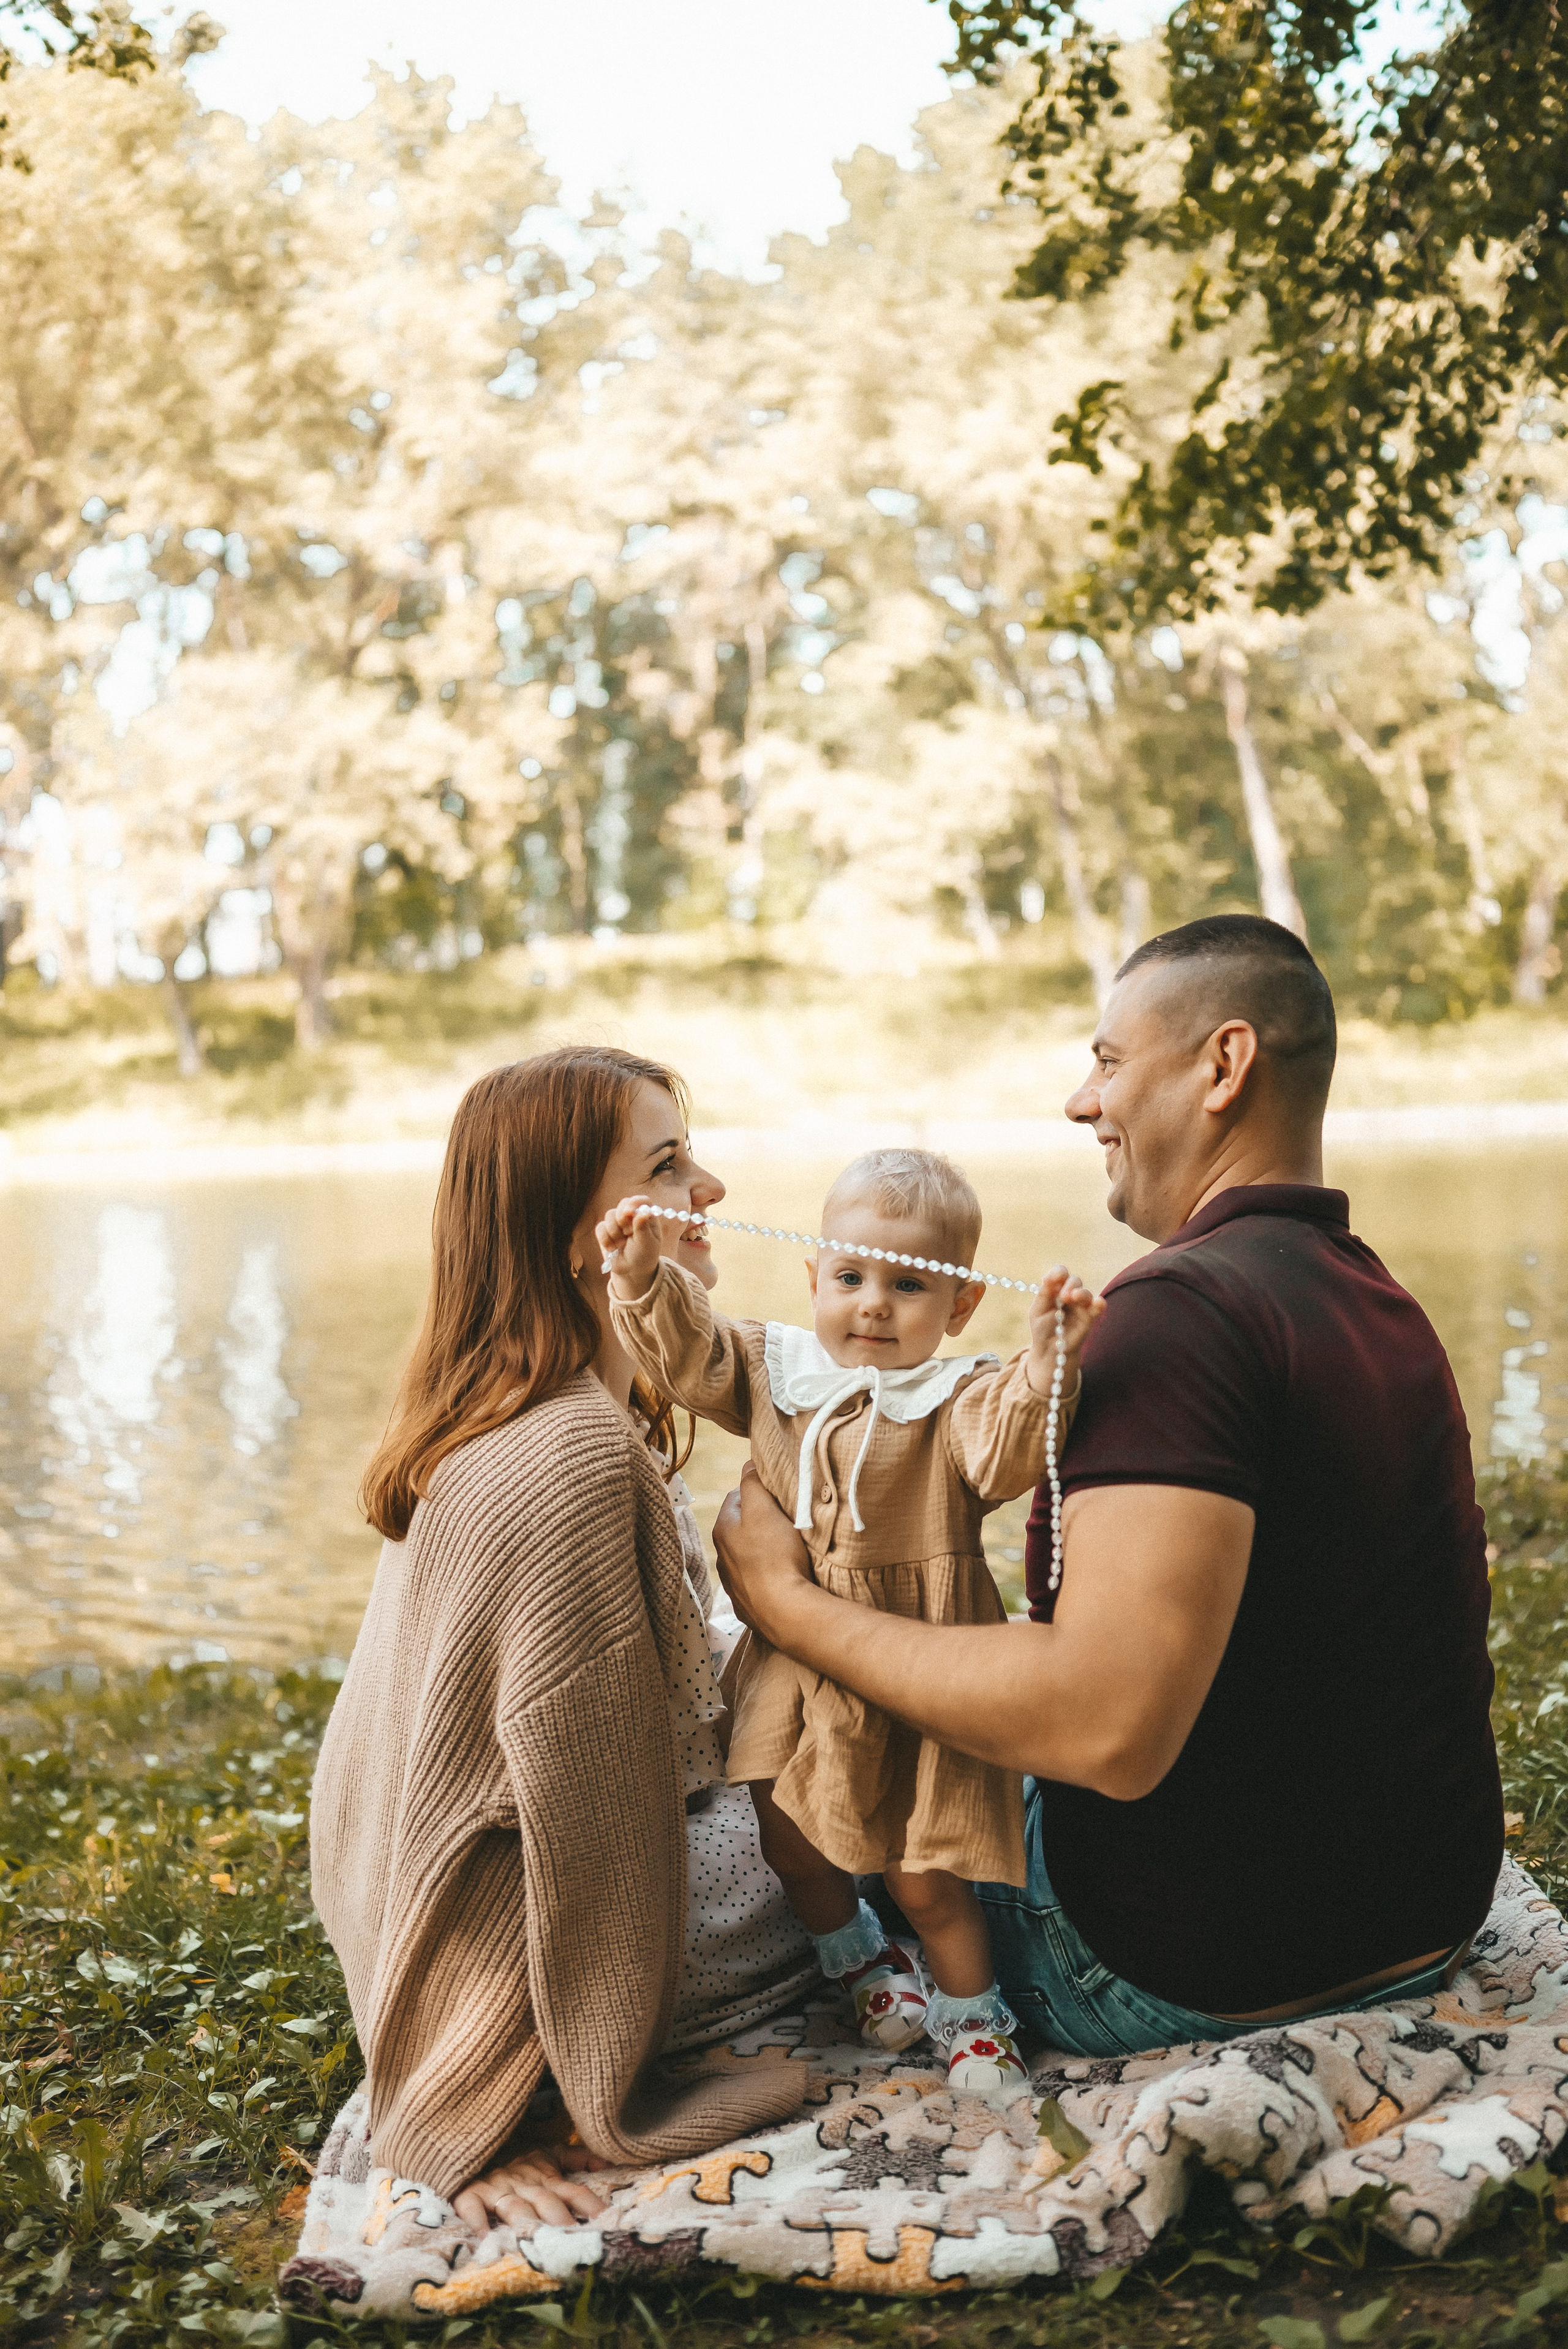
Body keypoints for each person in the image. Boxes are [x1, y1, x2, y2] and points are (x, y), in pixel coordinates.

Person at [712, 915, 1505, 2052]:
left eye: (1109, 1062)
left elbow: (1104, 1726)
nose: (1082, 1104)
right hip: (1420, 1919)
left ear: (1223, 1068)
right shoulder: (1371, 1295)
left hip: (1187, 1966)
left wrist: (788, 1606)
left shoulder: (1173, 1319)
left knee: (770, 1814)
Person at [309, 1047, 818, 2240]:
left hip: (466, 1885)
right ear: (576, 1228)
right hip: (579, 1933)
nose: (712, 1187)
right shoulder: (572, 1454)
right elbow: (555, 1815)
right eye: (668, 1165)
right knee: (907, 1777)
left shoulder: (508, 1407)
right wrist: (458, 2105)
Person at [596, 1148, 1099, 2094]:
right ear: (814, 1277)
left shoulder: (959, 1401)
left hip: (914, 1660)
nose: (873, 1305)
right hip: (796, 1667)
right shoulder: (781, 1371)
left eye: (908, 1285)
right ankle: (858, 1958)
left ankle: (974, 2017)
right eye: (851, 1277)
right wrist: (641, 1278)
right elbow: (692, 1355)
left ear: (958, 1308)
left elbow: (1007, 1453)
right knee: (789, 1839)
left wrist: (1046, 1360)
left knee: (924, 1867)